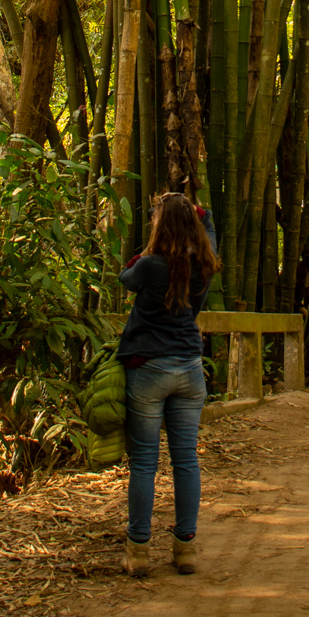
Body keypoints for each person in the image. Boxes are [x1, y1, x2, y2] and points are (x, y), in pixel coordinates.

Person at [118, 193, 218, 577]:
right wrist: (198, 212)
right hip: (190, 370)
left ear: (162, 225)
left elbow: (124, 278)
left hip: (148, 370)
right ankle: (185, 549)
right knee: (186, 460)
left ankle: (139, 550)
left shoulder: (149, 266)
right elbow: (210, 227)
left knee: (144, 463)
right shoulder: (203, 265)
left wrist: (146, 249)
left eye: (156, 217)